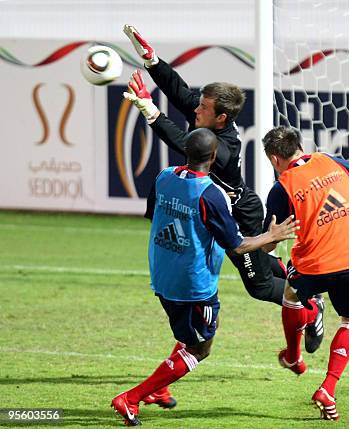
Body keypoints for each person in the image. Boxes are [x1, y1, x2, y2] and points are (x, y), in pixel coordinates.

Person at [121, 25, 325, 407]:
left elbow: (185, 144)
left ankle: (311, 306)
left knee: (261, 287)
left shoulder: (225, 146)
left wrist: (150, 113)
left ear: (220, 119)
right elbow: (180, 91)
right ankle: (165, 378)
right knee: (232, 285)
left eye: (202, 108)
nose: (194, 108)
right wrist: (152, 60)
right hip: (221, 214)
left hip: (240, 220)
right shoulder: (207, 118)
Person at [111, 128, 298, 426]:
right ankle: (131, 398)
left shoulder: (163, 176)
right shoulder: (211, 194)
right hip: (194, 285)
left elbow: (154, 214)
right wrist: (271, 235)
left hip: (163, 275)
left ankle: (159, 390)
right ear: (213, 157)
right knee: (201, 347)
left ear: (186, 151)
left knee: (194, 334)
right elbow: (237, 245)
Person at [261, 126, 349, 421]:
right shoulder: (338, 162)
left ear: (275, 159)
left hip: (313, 266)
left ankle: (293, 355)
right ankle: (328, 388)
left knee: (290, 293)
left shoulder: (282, 187)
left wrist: (267, 242)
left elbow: (271, 241)